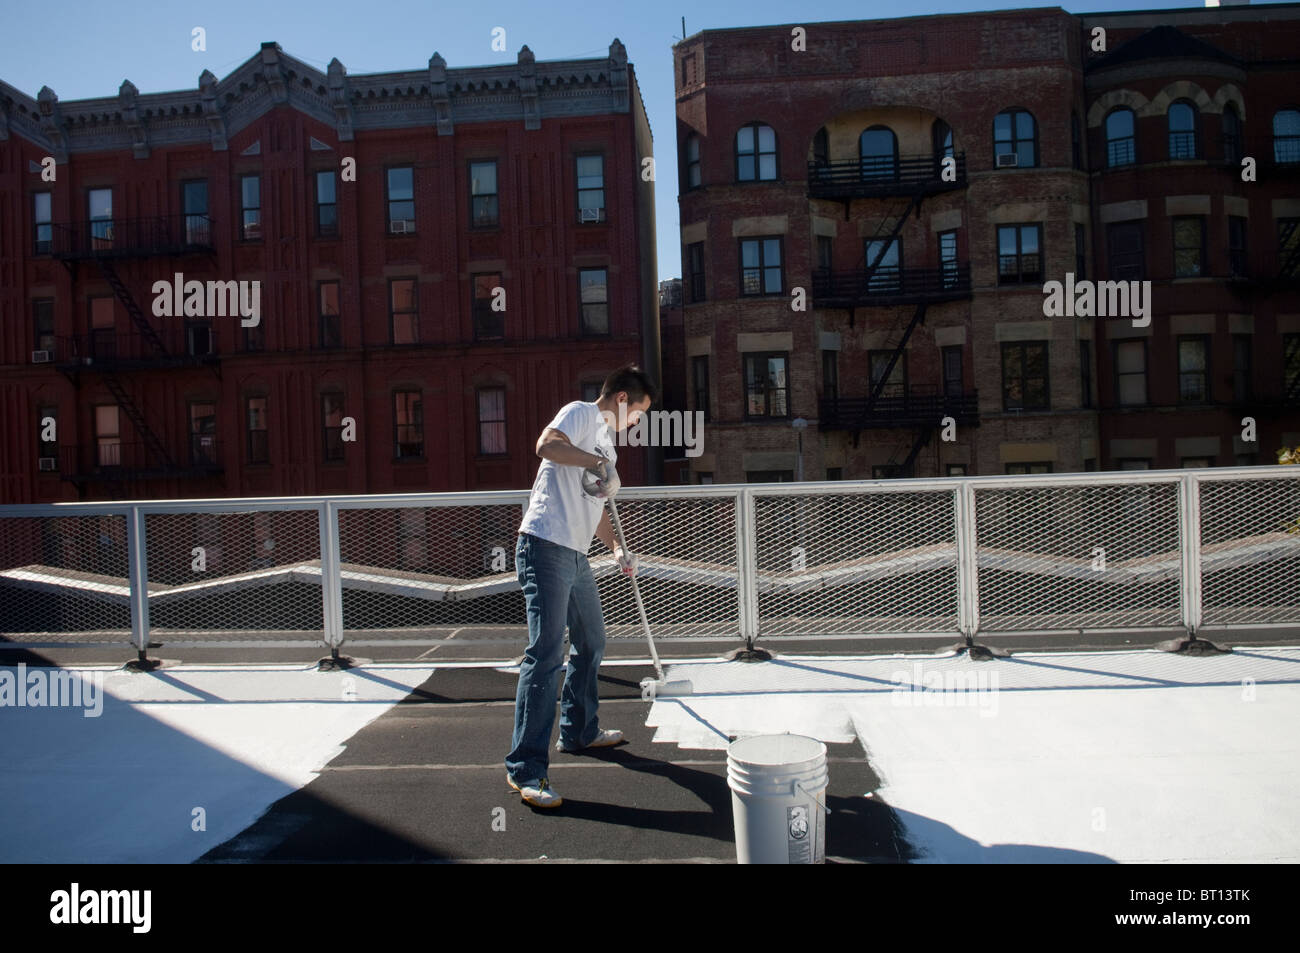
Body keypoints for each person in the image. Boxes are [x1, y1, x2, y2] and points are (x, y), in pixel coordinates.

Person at [506, 364, 658, 808]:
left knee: (591, 642)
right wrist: (598, 462)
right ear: (623, 400)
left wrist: (614, 549)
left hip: (576, 553)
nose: (636, 423)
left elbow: (594, 508)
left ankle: (579, 730)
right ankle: (526, 769)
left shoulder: (606, 443)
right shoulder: (580, 414)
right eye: (638, 413)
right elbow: (546, 446)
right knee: (546, 653)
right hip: (543, 545)